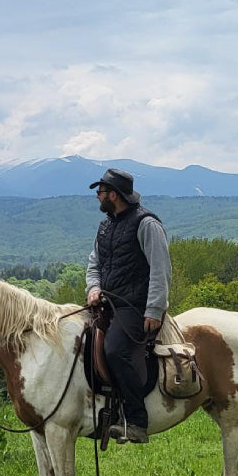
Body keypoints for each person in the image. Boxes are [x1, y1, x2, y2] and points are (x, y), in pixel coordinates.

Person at [86, 168, 171, 444]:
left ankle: (136, 421)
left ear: (113, 195)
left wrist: (154, 309)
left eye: (100, 192)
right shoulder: (106, 225)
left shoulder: (146, 224)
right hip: (106, 303)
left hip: (135, 306)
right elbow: (94, 264)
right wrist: (94, 288)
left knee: (115, 350)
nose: (97, 197)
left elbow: (161, 269)